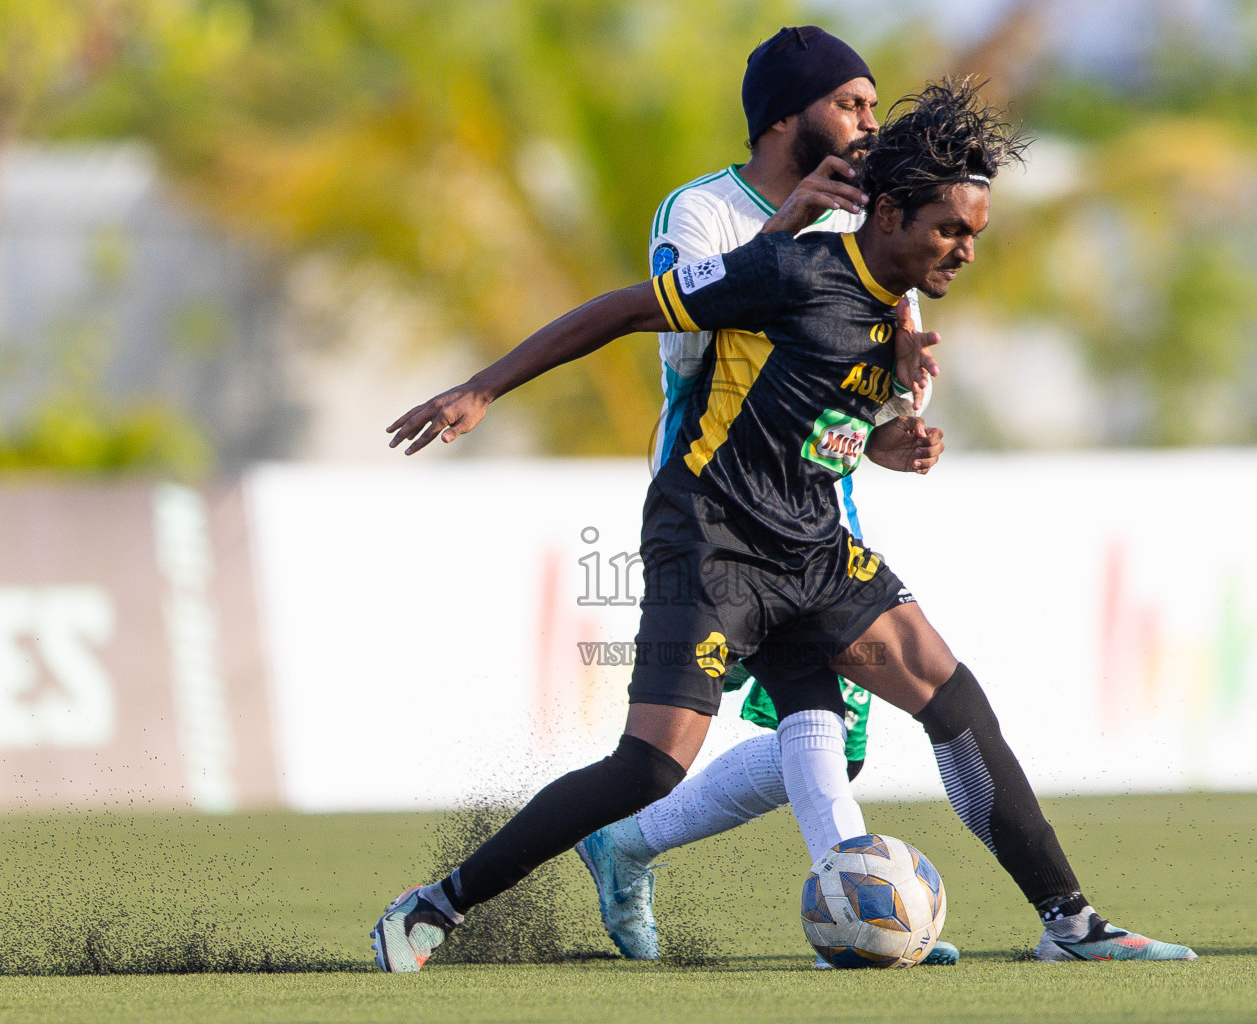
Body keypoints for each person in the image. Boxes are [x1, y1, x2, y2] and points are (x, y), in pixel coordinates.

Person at [373, 79, 1197, 971]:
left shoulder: (898, 309)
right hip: (712, 539)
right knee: (649, 769)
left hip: (811, 546)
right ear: (887, 214)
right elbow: (624, 309)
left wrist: (893, 443)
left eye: (974, 235)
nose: (963, 251)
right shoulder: (789, 269)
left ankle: (1068, 924)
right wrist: (481, 388)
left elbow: (829, 419)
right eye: (950, 230)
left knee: (949, 699)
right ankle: (433, 907)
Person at [571, 25, 955, 967]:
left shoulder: (872, 217)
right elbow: (686, 337)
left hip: (820, 510)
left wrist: (889, 431)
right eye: (852, 104)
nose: (870, 123)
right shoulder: (702, 210)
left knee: (829, 736)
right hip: (717, 503)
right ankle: (840, 910)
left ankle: (649, 852)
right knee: (674, 748)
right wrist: (784, 240)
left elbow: (859, 383)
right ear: (788, 116)